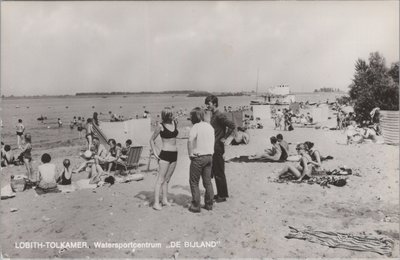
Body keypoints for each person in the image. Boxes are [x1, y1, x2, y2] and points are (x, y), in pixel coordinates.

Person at [205, 95, 236, 203]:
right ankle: (221, 193)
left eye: (208, 103)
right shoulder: (213, 115)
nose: (207, 105)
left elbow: (232, 125)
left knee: (219, 171)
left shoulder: (219, 115)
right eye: (206, 103)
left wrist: (225, 137)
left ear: (214, 103)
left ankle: (222, 196)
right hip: (214, 146)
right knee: (216, 170)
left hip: (218, 147)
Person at [149, 107, 179, 210]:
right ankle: (156, 203)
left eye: (172, 114)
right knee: (160, 180)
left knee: (167, 179)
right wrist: (156, 154)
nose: (172, 116)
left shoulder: (174, 123)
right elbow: (151, 140)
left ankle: (164, 200)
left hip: (174, 154)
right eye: (169, 114)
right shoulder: (160, 126)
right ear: (165, 116)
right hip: (165, 154)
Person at [187, 107, 215, 213]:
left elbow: (190, 141)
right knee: (207, 182)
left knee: (194, 182)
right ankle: (209, 204)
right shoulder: (209, 126)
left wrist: (190, 154)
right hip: (209, 156)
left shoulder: (196, 127)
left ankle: (196, 205)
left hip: (199, 157)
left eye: (191, 117)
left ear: (195, 117)